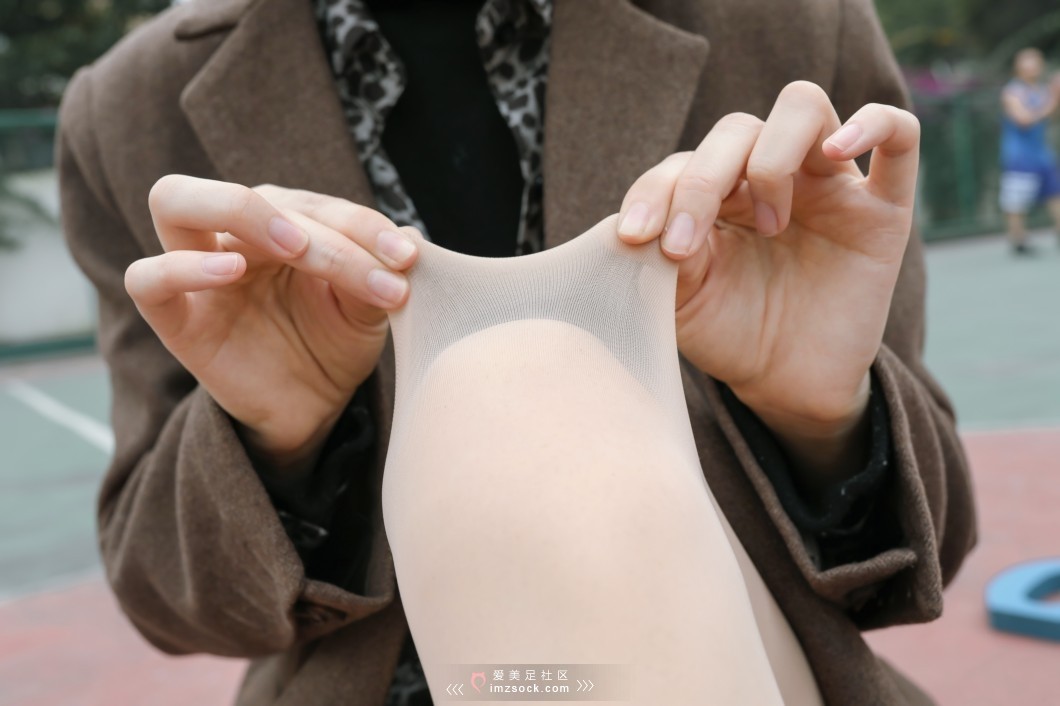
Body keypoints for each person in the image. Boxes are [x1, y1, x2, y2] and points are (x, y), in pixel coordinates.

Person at [55, 0, 976, 704]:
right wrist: (278, 446)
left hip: (736, 658)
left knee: (514, 377)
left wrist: (817, 414)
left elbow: (930, 541)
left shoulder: (789, 23)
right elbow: (163, 592)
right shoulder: (127, 108)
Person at [999, 47, 1060, 255]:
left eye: (1035, 63)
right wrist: (1053, 99)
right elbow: (1024, 120)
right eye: (1027, 63)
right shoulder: (1012, 92)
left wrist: (1054, 97)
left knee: (1055, 194)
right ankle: (1018, 239)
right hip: (1020, 156)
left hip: (1042, 154)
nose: (1032, 67)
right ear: (1018, 67)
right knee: (1016, 200)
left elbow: (1050, 116)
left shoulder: (1042, 91)